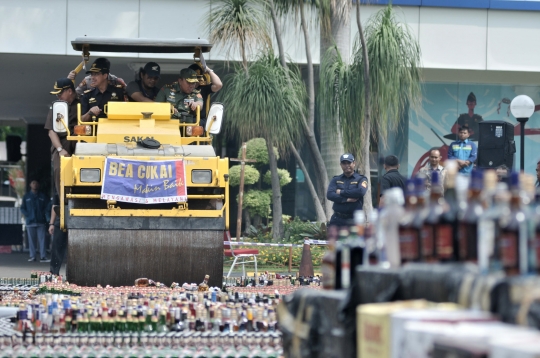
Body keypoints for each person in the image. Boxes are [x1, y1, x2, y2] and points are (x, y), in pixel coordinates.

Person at [44, 78, 80, 195]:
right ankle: (63, 202)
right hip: (61, 142)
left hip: (79, 140)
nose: (58, 97)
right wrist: (60, 149)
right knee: (59, 170)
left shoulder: (83, 102)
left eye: (60, 93)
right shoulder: (55, 107)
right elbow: (51, 131)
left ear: (69, 91)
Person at [326, 153, 368, 228]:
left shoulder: (361, 179)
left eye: (349, 163)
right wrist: (346, 199)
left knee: (354, 240)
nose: (347, 165)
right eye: (344, 163)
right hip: (337, 219)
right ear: (340, 165)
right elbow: (330, 195)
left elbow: (360, 192)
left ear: (354, 163)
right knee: (333, 239)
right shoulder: (336, 179)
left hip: (354, 220)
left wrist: (341, 192)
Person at [20, 179, 49, 262]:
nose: (35, 185)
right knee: (31, 240)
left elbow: (48, 206)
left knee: (42, 240)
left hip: (40, 221)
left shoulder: (42, 196)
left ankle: (43, 256)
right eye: (33, 183)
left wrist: (43, 214)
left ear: (38, 185)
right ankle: (32, 256)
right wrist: (28, 215)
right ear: (30, 185)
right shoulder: (26, 196)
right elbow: (22, 208)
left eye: (36, 183)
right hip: (30, 221)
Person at [188, 58, 222, 126]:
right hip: (182, 120)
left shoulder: (203, 88)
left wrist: (209, 70)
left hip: (198, 122)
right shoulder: (180, 88)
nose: (195, 82)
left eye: (198, 79)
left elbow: (218, 85)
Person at [48, 195, 67, 275]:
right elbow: (55, 206)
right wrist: (51, 223)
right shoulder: (59, 187)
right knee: (57, 247)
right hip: (61, 221)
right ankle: (54, 272)